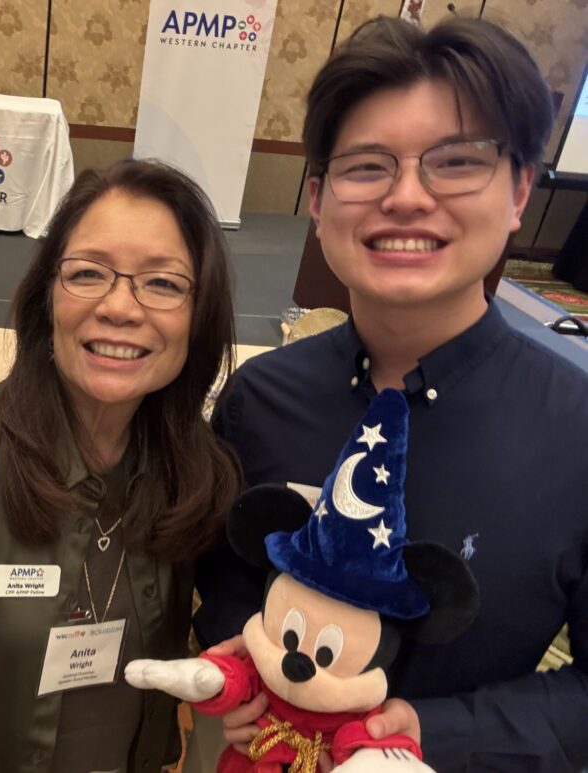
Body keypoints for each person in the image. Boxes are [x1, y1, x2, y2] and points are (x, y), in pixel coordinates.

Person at [193, 15, 588, 773]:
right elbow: (224, 572)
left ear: (519, 192)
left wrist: (430, 733)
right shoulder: (259, 398)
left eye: (456, 162)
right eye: (367, 166)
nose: (407, 197)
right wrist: (244, 650)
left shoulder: (576, 432)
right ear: (317, 199)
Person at [0, 158, 242, 773]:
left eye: (163, 283)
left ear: (201, 316)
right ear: (47, 295)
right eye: (88, 273)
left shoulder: (191, 472)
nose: (120, 307)